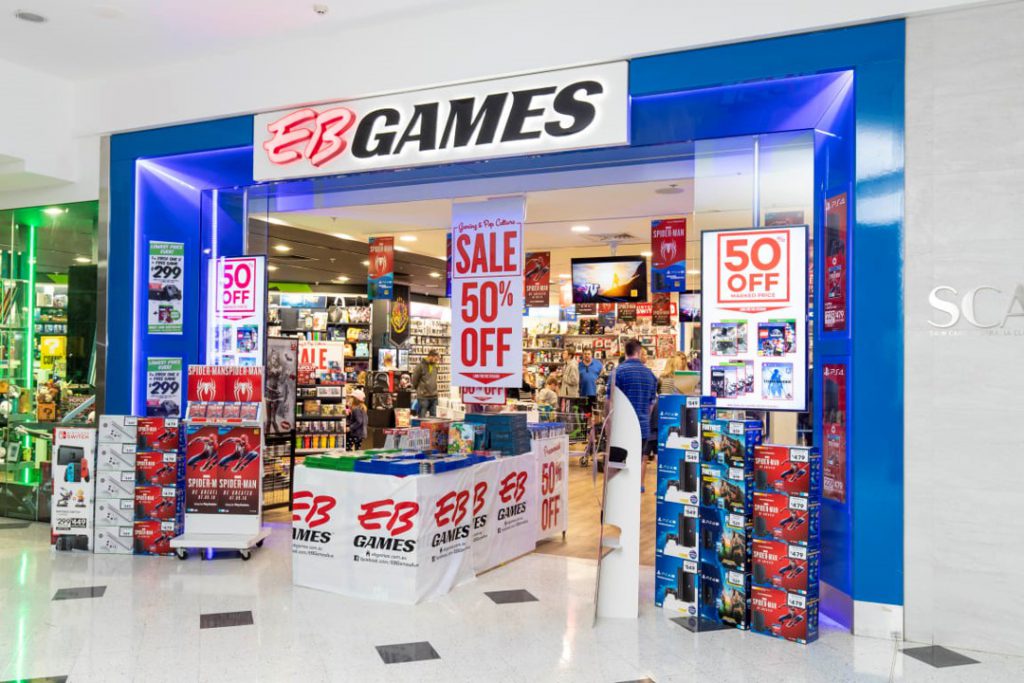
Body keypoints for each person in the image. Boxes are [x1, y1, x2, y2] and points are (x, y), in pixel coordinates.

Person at [607, 339, 658, 491]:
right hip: (642, 428)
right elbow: (651, 405)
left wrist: (608, 422)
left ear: (625, 351)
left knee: (618, 466)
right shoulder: (650, 375)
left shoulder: (617, 372)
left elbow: (610, 400)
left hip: (621, 427)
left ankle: (619, 496)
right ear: (639, 351)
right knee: (636, 462)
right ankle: (633, 495)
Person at [411, 349, 439, 417]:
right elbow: (414, 379)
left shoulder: (435, 366)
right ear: (430, 356)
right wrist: (418, 389)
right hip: (423, 396)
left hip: (434, 395)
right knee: (422, 417)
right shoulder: (420, 366)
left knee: (433, 418)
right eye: (435, 359)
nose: (436, 361)